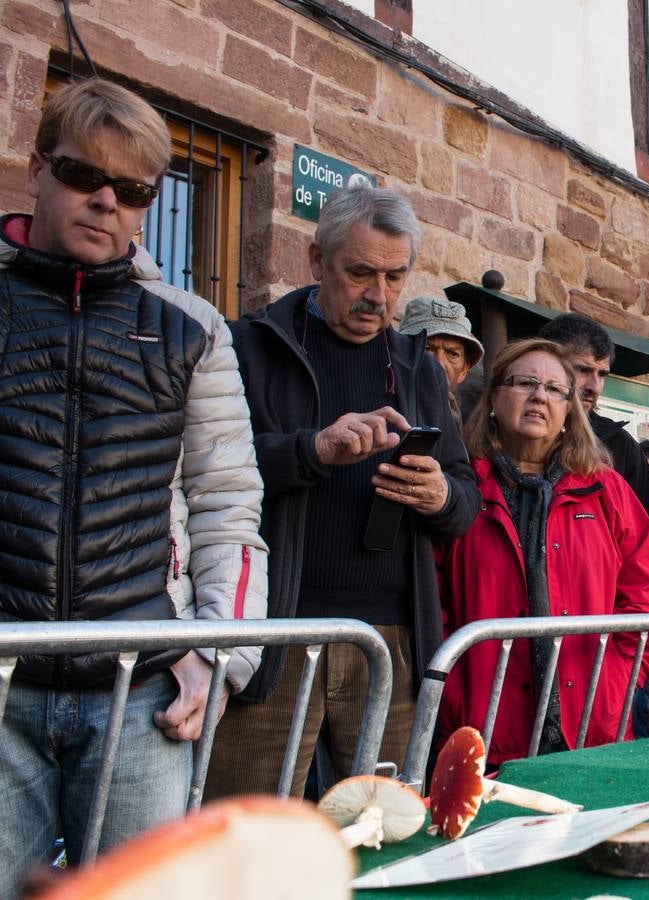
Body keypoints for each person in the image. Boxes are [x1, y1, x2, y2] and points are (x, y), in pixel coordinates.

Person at [0, 79, 267, 876]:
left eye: (135, 189)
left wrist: (220, 656)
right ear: (40, 169)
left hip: (140, 690)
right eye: (85, 176)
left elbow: (226, 505)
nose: (106, 201)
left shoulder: (192, 328)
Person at [209, 185, 480, 799]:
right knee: (253, 830)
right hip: (275, 632)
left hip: (392, 643)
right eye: (360, 273)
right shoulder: (250, 345)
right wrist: (314, 450)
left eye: (394, 277)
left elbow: (465, 499)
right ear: (315, 262)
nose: (378, 296)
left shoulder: (420, 366)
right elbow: (211, 472)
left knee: (388, 830)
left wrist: (438, 495)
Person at [436, 339, 649, 765]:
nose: (540, 396)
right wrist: (456, 696)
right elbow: (436, 604)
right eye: (524, 382)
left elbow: (645, 600)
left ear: (568, 411)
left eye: (555, 389)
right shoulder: (462, 487)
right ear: (493, 400)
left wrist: (617, 685)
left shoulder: (606, 489)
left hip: (593, 725)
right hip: (488, 727)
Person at [538, 314, 649, 557]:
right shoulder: (511, 435)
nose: (594, 386)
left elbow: (645, 554)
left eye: (602, 374)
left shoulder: (621, 447)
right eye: (583, 370)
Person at [397, 295, 484, 426]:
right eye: (427, 348)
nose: (438, 363)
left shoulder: (470, 431)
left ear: (463, 372)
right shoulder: (373, 409)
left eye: (452, 354)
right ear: (400, 353)